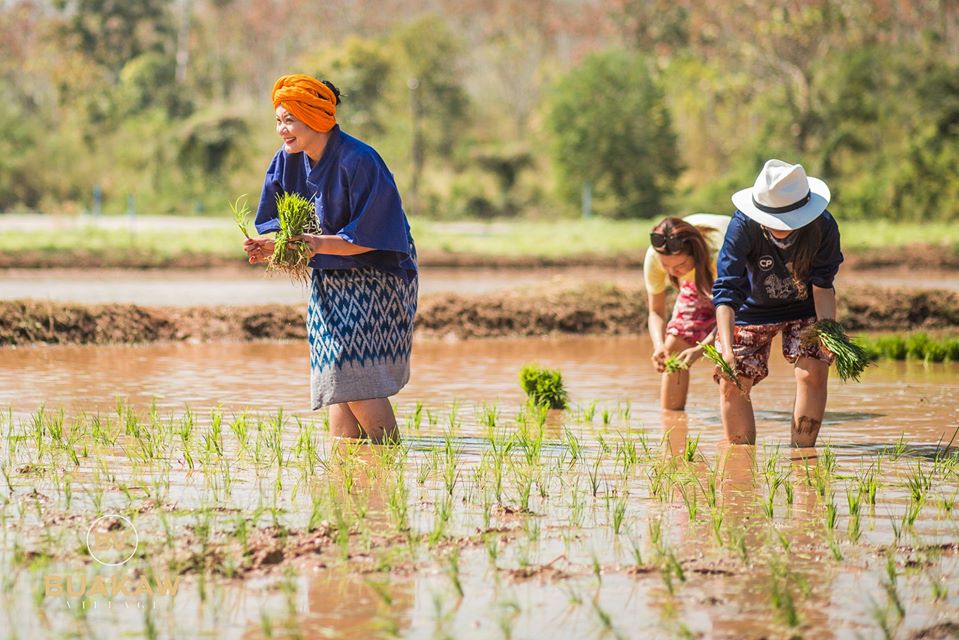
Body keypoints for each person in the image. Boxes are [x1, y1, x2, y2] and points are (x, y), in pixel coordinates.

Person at [243, 74, 417, 444]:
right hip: (330, 272)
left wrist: (316, 244)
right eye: (278, 120)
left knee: (351, 370)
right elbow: (299, 237)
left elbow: (373, 237)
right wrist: (273, 247)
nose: (281, 129)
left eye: (289, 119)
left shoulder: (361, 161)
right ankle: (348, 477)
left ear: (315, 118)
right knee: (335, 374)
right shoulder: (287, 161)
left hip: (377, 272)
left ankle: (389, 457)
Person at [712, 159, 842, 447]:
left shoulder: (823, 226)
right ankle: (741, 467)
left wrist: (827, 331)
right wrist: (727, 348)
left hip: (804, 307)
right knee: (733, 383)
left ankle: (803, 461)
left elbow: (823, 286)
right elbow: (726, 290)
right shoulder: (742, 226)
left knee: (813, 372)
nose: (779, 228)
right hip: (749, 310)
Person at [645, 213, 731, 410]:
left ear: (696, 254)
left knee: (734, 348)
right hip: (697, 280)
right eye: (666, 266)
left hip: (737, 279)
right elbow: (656, 311)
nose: (673, 272)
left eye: (680, 265)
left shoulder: (721, 255)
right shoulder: (654, 258)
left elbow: (738, 313)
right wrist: (659, 346)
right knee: (673, 348)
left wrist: (703, 348)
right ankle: (671, 424)